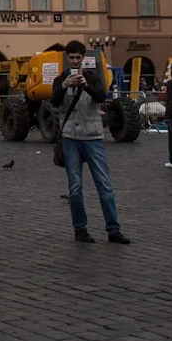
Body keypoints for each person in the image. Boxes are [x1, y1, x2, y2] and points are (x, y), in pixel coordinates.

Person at [54, 56, 129, 244]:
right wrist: (64, 85)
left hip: (93, 136)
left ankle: (113, 230)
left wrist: (85, 84)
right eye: (71, 58)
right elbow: (54, 102)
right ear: (67, 59)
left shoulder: (94, 77)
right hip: (71, 136)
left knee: (104, 184)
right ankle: (80, 229)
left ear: (82, 59)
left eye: (78, 57)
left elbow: (101, 97)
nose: (74, 61)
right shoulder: (59, 79)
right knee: (75, 187)